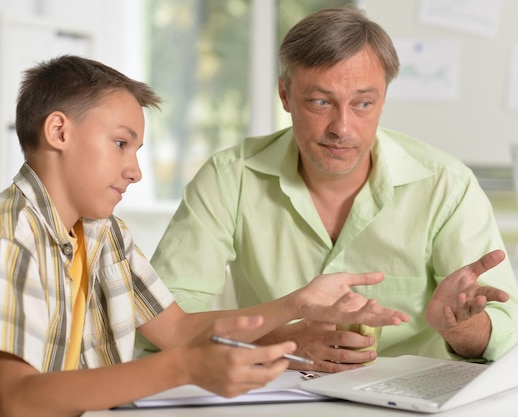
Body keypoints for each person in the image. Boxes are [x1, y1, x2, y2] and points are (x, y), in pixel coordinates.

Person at [0, 55, 410, 417]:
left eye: (137, 150)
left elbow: (177, 331)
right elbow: (15, 400)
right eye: (121, 143)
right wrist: (185, 367)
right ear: (58, 131)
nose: (135, 170)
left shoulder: (105, 234)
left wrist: (296, 303)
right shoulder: (11, 239)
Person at [145, 6, 518, 373]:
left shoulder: (446, 184)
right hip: (271, 391)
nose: (342, 127)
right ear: (285, 95)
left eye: (363, 103)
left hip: (409, 401)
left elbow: (512, 335)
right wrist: (281, 342)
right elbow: (163, 321)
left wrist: (460, 329)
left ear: (383, 99)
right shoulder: (230, 177)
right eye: (320, 101)